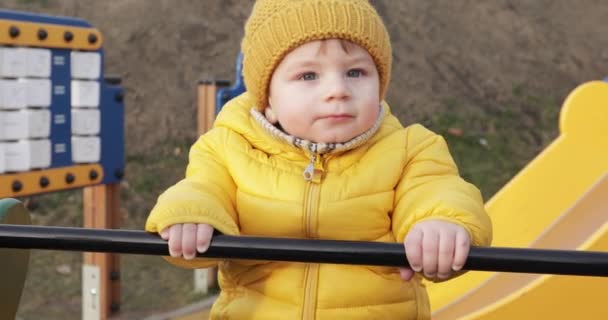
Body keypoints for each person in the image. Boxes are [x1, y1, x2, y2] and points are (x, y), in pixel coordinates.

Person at [145, 0, 492, 318]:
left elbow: (435, 190)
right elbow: (202, 188)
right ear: (268, 100)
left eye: (355, 72)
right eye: (308, 75)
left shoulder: (409, 150)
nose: (338, 90)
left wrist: (441, 225)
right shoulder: (227, 148)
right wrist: (189, 215)